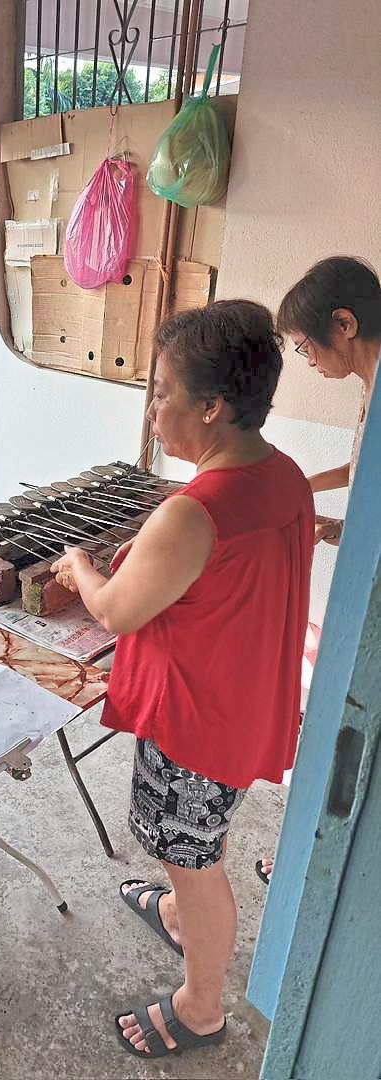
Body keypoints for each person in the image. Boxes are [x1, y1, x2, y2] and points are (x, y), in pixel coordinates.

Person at [51, 300, 314, 1061]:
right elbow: (227, 575)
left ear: (213, 406)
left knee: (194, 863)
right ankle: (174, 911)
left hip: (197, 726)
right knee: (196, 846)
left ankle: (202, 1007)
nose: (153, 408)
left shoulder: (192, 510)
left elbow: (115, 612)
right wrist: (158, 549)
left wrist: (81, 566)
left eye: (163, 391)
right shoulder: (283, 474)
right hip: (245, 704)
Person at [255, 255, 381, 883]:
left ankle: (313, 854)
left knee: (342, 718)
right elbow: (360, 475)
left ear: (344, 324)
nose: (309, 361)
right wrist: (300, 491)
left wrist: (326, 528)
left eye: (307, 347)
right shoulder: (371, 385)